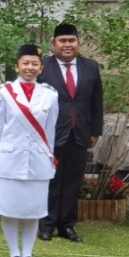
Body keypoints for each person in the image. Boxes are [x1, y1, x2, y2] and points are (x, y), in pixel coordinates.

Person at [0, 44, 59, 257]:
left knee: (33, 209)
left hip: (38, 159)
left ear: (41, 67)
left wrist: (50, 157)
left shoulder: (50, 94)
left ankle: (28, 254)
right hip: (9, 158)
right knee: (9, 208)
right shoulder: (4, 92)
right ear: (16, 66)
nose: (30, 67)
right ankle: (14, 253)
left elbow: (50, 131)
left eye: (34, 64)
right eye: (25, 63)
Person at [37, 22, 103, 243]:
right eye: (62, 41)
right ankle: (46, 225)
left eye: (71, 41)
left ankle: (67, 225)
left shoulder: (91, 67)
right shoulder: (43, 67)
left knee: (73, 181)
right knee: (51, 180)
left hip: (80, 132)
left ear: (78, 43)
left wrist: (95, 131)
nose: (67, 45)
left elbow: (96, 101)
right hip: (50, 134)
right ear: (53, 44)